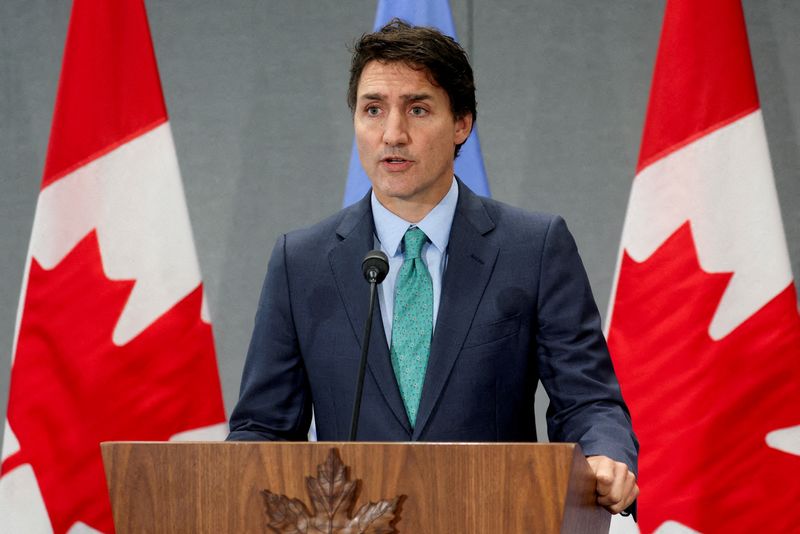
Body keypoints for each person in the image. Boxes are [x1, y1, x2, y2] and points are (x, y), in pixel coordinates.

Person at [228, 19, 639, 515]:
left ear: (461, 123)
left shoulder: (533, 248)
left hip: (497, 518)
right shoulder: (302, 261)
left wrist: (604, 455)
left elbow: (586, 400)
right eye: (373, 109)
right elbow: (263, 430)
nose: (392, 134)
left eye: (417, 109)